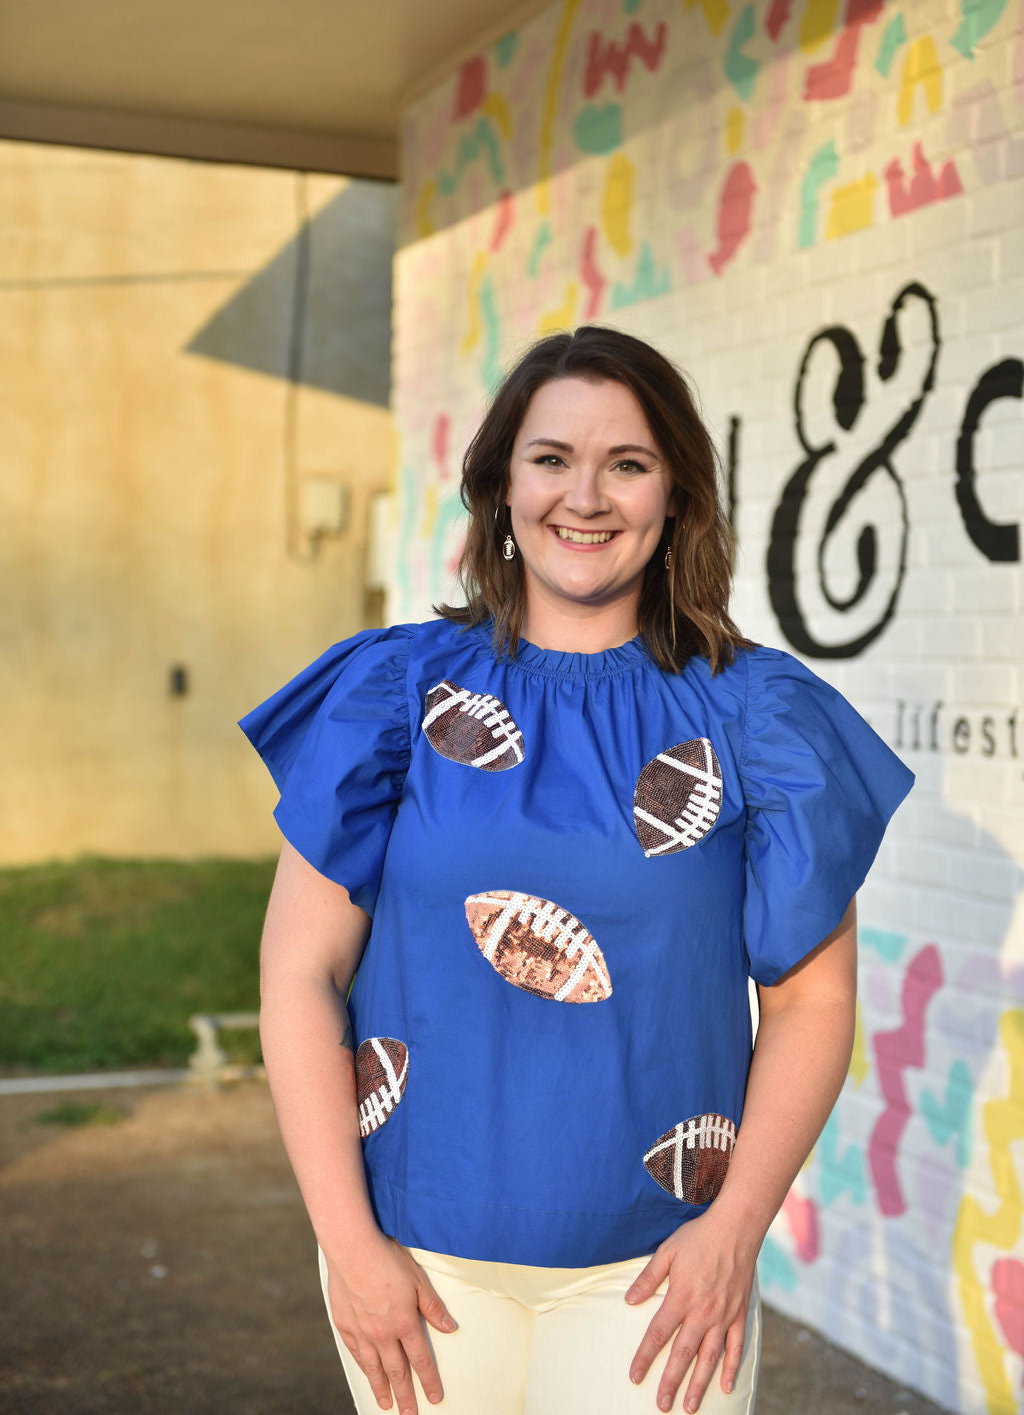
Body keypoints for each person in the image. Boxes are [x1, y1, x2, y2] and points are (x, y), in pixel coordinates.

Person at [241, 325, 914, 1415]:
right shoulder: (396, 693)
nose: (585, 497)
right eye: (552, 458)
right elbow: (297, 976)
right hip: (419, 1264)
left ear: (676, 495)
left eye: (628, 463)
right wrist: (347, 1243)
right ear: (503, 483)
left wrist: (732, 1232)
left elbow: (811, 1000)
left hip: (653, 1277)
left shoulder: (759, 715)